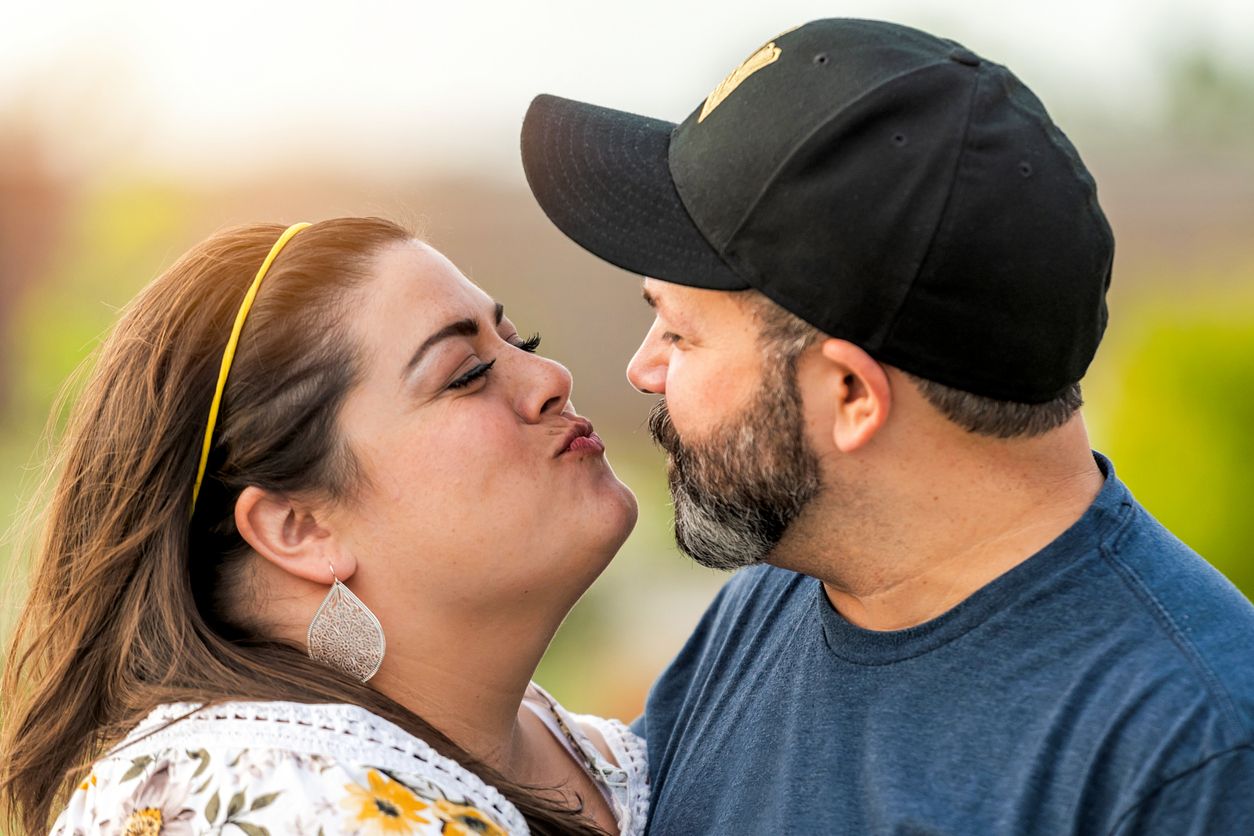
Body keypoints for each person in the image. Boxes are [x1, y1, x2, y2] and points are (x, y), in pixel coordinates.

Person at [520, 17, 1254, 835]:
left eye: (681, 333)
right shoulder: (778, 600)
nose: (643, 370)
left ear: (850, 395)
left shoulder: (1192, 757)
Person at [0, 218, 648, 835]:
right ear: (299, 527)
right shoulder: (270, 799)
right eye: (467, 374)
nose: (551, 378)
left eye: (518, 342)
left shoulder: (632, 741)